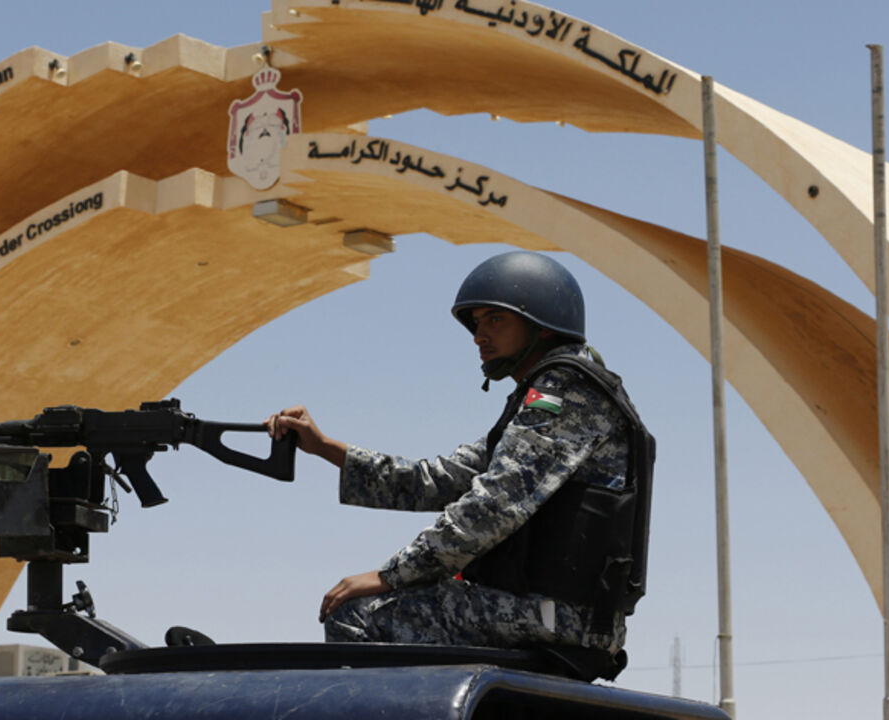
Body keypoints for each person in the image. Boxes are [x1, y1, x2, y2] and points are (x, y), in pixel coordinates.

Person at [266, 251, 653, 665]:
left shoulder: (565, 391)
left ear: (541, 327)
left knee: (354, 615)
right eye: (477, 322)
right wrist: (326, 448)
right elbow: (441, 479)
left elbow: (493, 505)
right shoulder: (549, 397)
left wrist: (389, 576)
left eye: (495, 320)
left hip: (555, 615)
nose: (478, 335)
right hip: (548, 609)